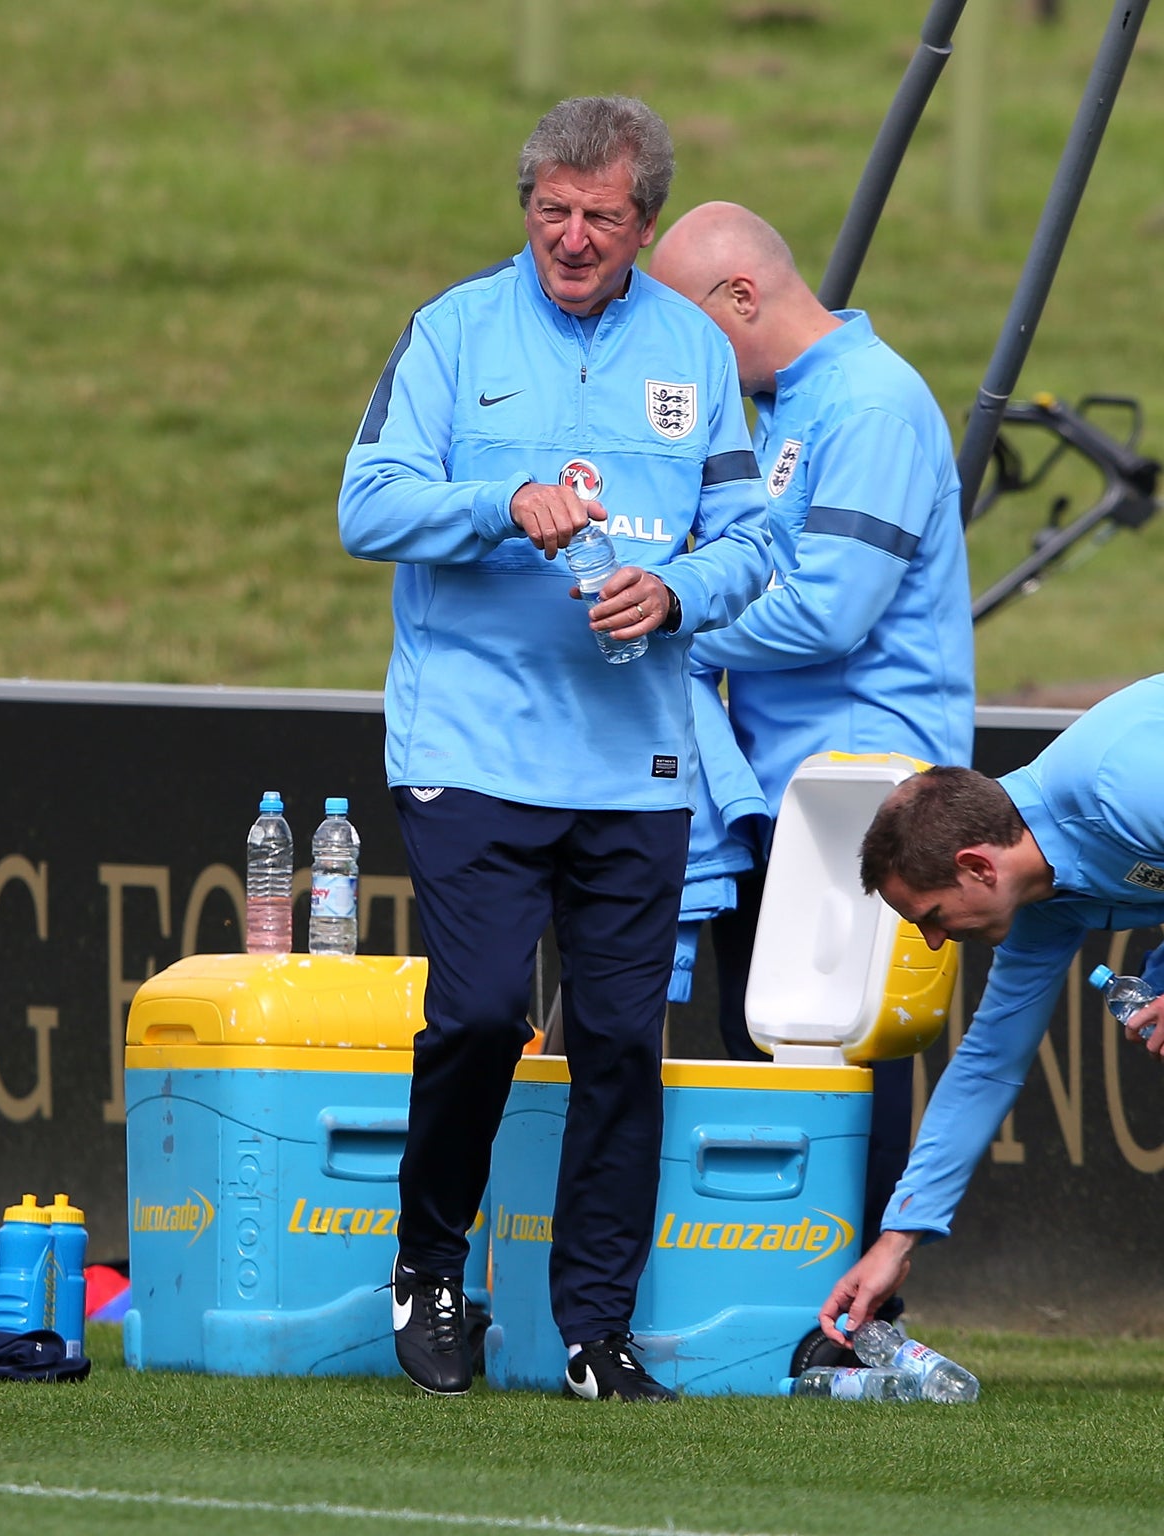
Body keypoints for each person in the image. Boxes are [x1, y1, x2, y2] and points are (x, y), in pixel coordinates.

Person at [337, 96, 772, 1402]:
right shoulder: (453, 331)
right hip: (469, 742)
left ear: (645, 222)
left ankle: (595, 1328)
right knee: (475, 1012)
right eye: (551, 211)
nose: (573, 237)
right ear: (525, 208)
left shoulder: (697, 353)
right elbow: (367, 503)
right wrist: (497, 506)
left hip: (638, 760)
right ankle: (428, 1269)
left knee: (624, 1042)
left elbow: (756, 544)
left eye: (601, 216)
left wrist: (682, 592)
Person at [647, 202, 974, 1257]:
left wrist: (677, 626)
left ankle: (844, 1310)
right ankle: (789, 1290)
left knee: (836, 1048)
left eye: (683, 328)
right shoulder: (787, 405)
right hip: (787, 788)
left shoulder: (869, 405)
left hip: (870, 790)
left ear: (738, 299)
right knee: (776, 1040)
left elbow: (831, 609)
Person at [821, 678, 1164, 1343]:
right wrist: (896, 1240)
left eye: (930, 916)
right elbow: (987, 1065)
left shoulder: (1124, 785)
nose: (933, 940)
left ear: (978, 867)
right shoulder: (1039, 897)